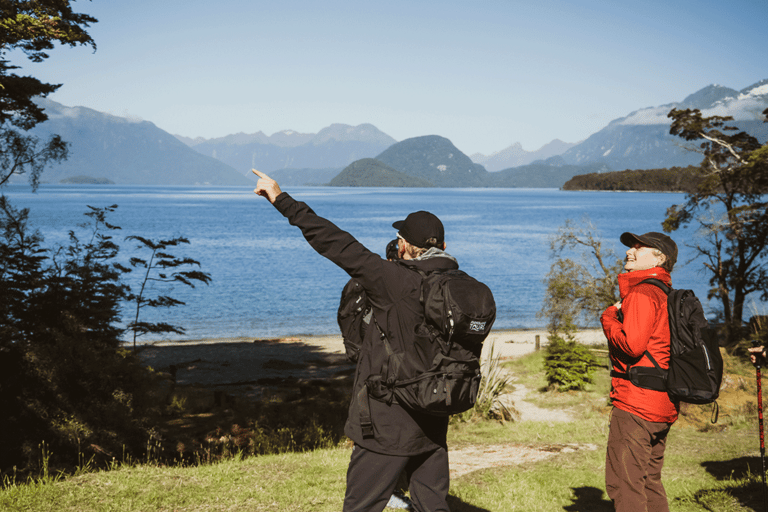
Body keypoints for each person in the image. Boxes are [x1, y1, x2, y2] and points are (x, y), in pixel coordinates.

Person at [252, 169, 453, 512]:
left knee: (360, 506)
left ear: (403, 246)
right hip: (434, 415)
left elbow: (335, 241)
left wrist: (280, 198)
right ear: (443, 247)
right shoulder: (455, 285)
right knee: (432, 505)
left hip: (387, 422)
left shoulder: (391, 281)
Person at [600, 231, 680, 512]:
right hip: (662, 401)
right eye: (631, 246)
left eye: (639, 247)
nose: (629, 251)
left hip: (636, 403)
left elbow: (632, 346)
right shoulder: (665, 293)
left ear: (660, 258)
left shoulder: (644, 292)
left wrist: (608, 317)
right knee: (649, 481)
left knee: (625, 484)